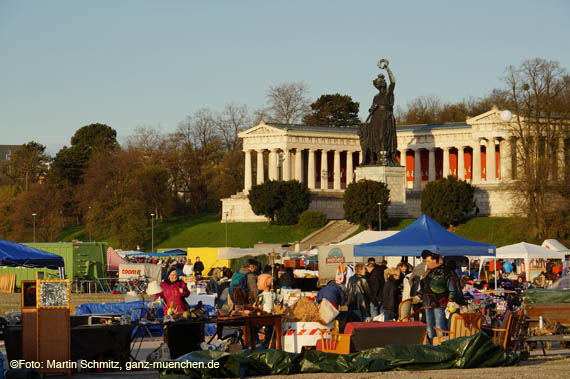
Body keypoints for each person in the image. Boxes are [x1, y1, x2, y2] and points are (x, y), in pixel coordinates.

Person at [359, 59, 398, 166]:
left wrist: (387, 69)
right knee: (374, 138)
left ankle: (384, 157)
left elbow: (393, 82)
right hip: (376, 117)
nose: (378, 86)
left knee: (382, 136)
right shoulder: (376, 97)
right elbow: (372, 109)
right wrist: (372, 109)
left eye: (379, 83)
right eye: (377, 84)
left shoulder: (388, 93)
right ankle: (375, 158)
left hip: (385, 116)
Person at [417, 250, 458, 344]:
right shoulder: (427, 272)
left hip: (440, 303)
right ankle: (432, 345)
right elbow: (424, 285)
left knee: (440, 326)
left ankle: (442, 345)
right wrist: (419, 295)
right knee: (430, 326)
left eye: (429, 261)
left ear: (435, 260)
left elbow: (452, 288)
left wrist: (451, 300)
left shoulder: (446, 271)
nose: (427, 263)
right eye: (426, 261)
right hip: (427, 303)